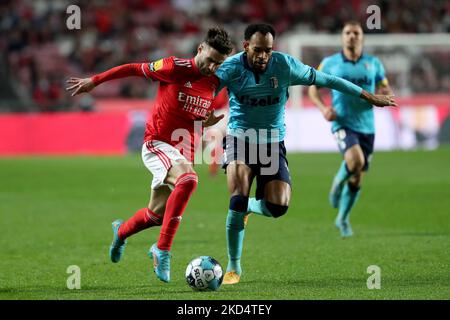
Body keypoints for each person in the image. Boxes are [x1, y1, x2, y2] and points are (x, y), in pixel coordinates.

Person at [214, 23, 396, 284]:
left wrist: (366, 95)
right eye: (257, 50)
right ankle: (234, 267)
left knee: (278, 206)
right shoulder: (230, 68)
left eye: (268, 50)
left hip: (272, 143)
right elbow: (204, 89)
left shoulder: (285, 66)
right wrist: (200, 113)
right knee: (237, 196)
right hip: (240, 139)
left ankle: (249, 208)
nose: (263, 56)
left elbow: (328, 81)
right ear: (245, 46)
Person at [66, 27, 233, 283]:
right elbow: (133, 68)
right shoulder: (174, 67)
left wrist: (207, 119)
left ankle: (120, 232)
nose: (212, 67)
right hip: (157, 143)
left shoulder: (214, 82)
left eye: (218, 63)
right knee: (189, 180)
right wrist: (95, 81)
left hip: (184, 151)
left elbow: (197, 112)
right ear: (200, 49)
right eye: (210, 59)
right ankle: (162, 250)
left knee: (156, 215)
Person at [308, 21, 394, 238]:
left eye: (356, 33)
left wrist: (385, 91)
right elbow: (313, 89)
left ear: (362, 37)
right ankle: (337, 183)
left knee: (357, 177)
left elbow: (384, 86)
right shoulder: (330, 63)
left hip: (367, 126)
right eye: (348, 33)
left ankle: (343, 218)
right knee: (356, 162)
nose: (352, 36)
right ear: (342, 37)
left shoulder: (373, 63)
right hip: (342, 122)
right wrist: (324, 108)